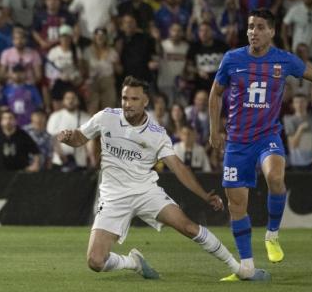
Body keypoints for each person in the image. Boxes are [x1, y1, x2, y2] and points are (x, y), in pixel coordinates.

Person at [56, 76, 253, 280]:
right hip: (113, 196)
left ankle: (238, 269)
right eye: (124, 98)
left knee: (188, 227)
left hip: (145, 191)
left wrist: (204, 195)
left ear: (145, 102)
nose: (127, 104)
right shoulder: (106, 117)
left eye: (134, 99)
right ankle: (133, 262)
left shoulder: (156, 133)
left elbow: (177, 166)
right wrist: (69, 138)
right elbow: (80, 137)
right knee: (95, 261)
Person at [209, 8, 312, 279]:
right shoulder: (232, 59)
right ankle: (247, 266)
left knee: (275, 177)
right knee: (236, 206)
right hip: (237, 142)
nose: (254, 31)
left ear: (272, 32)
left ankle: (272, 234)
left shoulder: (284, 60)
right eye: (251, 26)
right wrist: (214, 130)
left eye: (260, 26)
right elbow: (215, 94)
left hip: (267, 136)